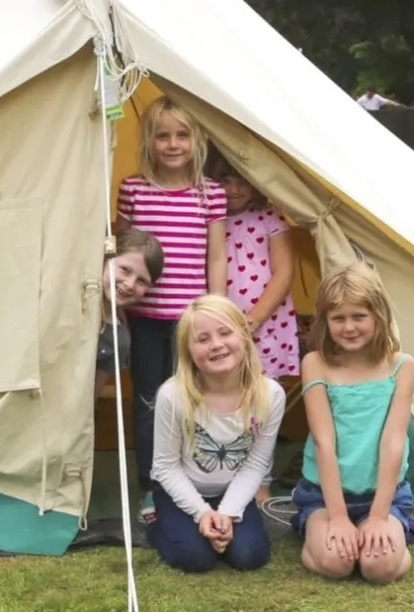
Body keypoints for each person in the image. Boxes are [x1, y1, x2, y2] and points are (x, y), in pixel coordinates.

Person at [116, 96, 228, 522]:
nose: (173, 144)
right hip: (144, 320)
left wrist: (215, 311)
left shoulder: (210, 195)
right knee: (149, 404)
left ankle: (197, 481)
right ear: (150, 141)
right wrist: (120, 305)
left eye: (182, 135)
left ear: (196, 140)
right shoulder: (133, 188)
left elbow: (215, 256)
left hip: (193, 322)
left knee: (194, 401)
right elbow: (121, 250)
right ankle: (152, 487)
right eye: (163, 135)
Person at [292, 262, 414, 584]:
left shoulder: (401, 366)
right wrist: (337, 517)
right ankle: (315, 535)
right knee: (337, 563)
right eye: (338, 318)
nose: (349, 327)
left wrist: (377, 516)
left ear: (378, 316)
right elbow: (324, 442)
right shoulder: (315, 363)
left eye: (359, 316)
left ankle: (389, 530)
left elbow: (394, 442)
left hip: (383, 494)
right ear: (325, 321)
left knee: (378, 568)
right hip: (324, 494)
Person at [146, 294, 285, 573]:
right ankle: (155, 521)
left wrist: (226, 513)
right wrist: (201, 513)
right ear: (188, 351)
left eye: (225, 333)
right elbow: (165, 466)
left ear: (244, 337)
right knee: (195, 558)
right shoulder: (173, 395)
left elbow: (256, 464)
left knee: (249, 556)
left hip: (230, 490)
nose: (217, 345)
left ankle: (217, 526)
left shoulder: (270, 395)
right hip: (180, 489)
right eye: (202, 339)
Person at [216, 160, 299, 503]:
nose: (233, 189)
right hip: (221, 327)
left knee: (261, 406)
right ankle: (227, 475)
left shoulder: (271, 219)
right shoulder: (211, 221)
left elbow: (284, 273)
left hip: (266, 327)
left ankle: (260, 480)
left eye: (241, 182)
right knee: (225, 402)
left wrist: (255, 319)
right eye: (225, 181)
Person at [94, 228, 165, 400]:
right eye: (125, 270)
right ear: (106, 257)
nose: (130, 284)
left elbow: (90, 398)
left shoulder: (118, 338)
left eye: (142, 281)